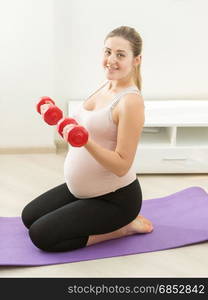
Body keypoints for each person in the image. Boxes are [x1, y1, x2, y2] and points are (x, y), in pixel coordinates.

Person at [21, 25, 153, 252]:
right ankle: (93, 213)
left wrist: (85, 141)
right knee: (29, 216)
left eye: (120, 55)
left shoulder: (130, 102)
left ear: (136, 60)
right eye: (108, 51)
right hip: (83, 190)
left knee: (41, 235)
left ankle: (124, 228)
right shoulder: (104, 85)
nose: (111, 60)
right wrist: (55, 117)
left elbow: (122, 165)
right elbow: (80, 127)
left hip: (115, 200)